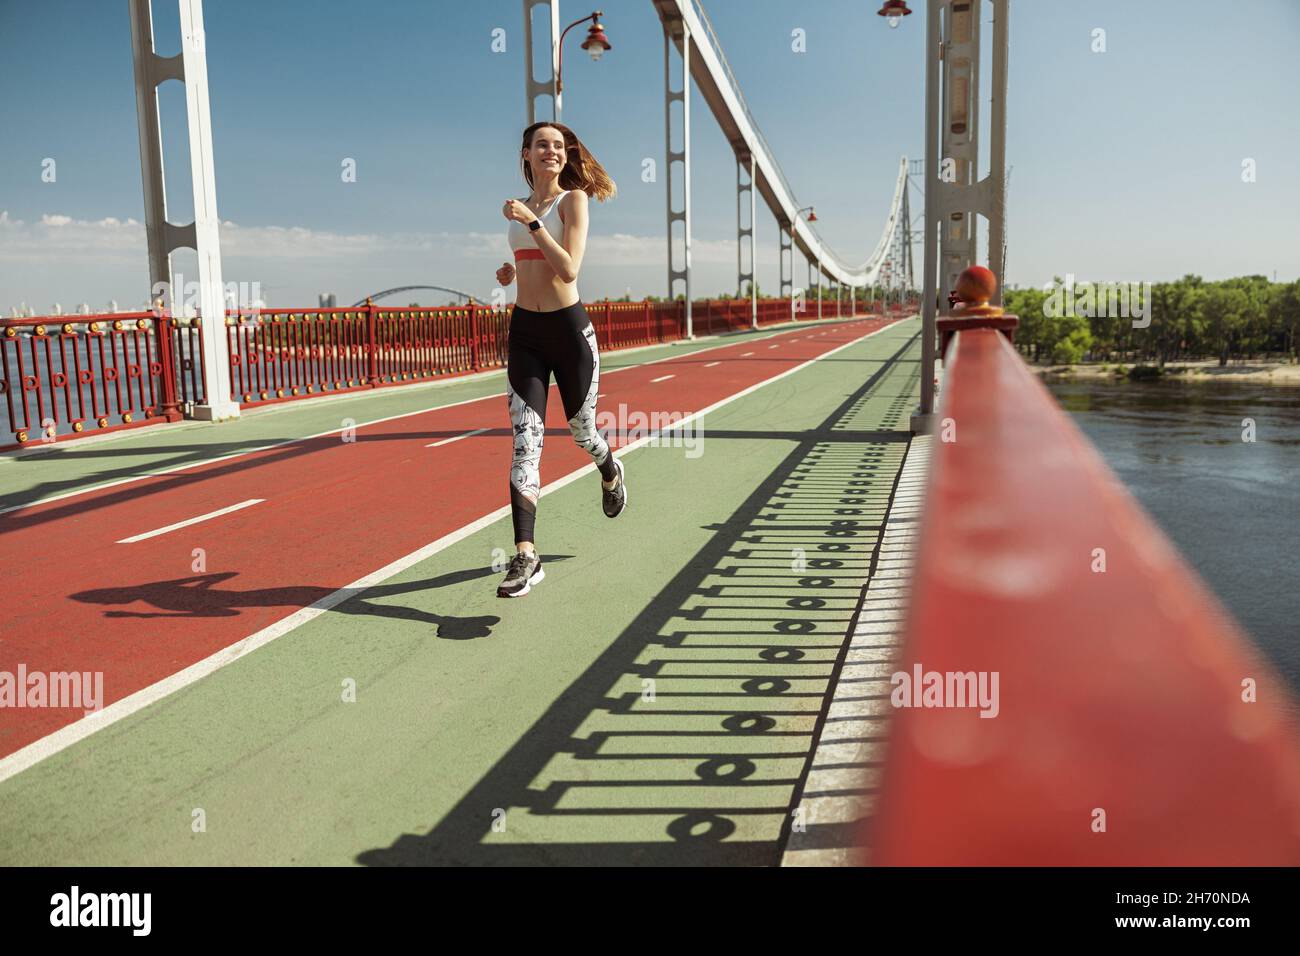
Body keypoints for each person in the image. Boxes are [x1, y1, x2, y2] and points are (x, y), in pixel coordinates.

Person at [494, 122, 626, 598]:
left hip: (570, 334)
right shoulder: (517, 211)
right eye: (541, 145)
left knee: (581, 431)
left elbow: (568, 267)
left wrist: (531, 223)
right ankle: (527, 554)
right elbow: (532, 264)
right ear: (525, 153)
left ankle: (610, 470)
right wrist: (511, 272)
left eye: (558, 145)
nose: (550, 151)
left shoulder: (572, 201)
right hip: (526, 334)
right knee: (525, 444)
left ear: (565, 156)